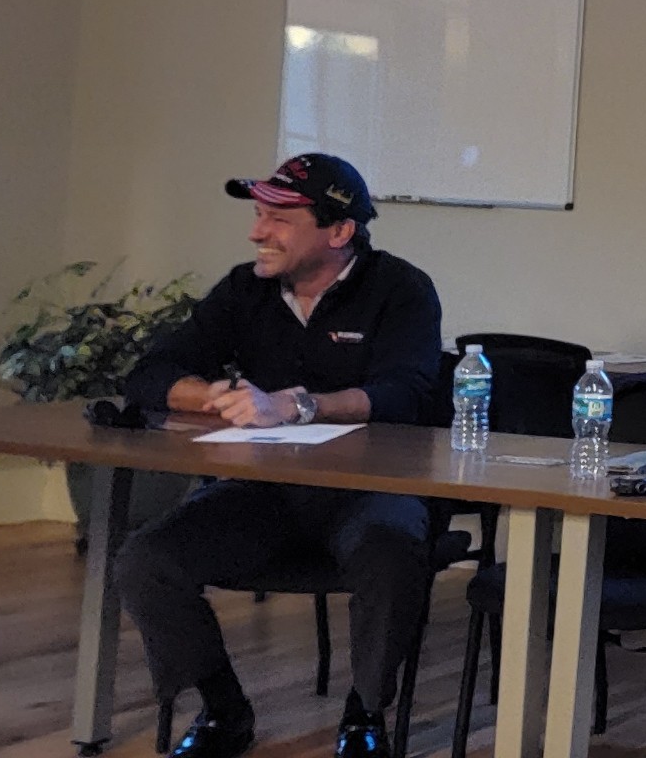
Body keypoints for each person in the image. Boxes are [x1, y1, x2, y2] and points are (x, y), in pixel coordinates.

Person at [115, 154, 444, 758]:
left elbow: (408, 395)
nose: (257, 232)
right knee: (147, 559)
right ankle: (222, 711)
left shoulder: (401, 289)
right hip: (262, 491)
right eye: (259, 215)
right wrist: (213, 395)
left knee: (392, 554)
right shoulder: (246, 288)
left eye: (279, 219)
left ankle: (365, 714)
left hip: (367, 489)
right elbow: (150, 373)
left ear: (339, 231)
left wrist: (299, 405)